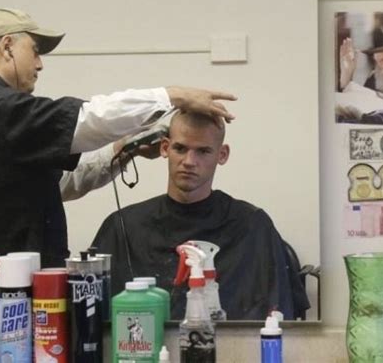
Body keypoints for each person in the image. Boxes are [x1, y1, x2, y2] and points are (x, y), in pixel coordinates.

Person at [0, 8, 236, 267]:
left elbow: (58, 184)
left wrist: (123, 150)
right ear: (7, 47)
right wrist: (172, 96)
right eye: (34, 51)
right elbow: (90, 118)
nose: (40, 64)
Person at [92, 110, 309, 320]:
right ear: (165, 148)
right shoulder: (123, 227)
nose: (189, 161)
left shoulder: (252, 225)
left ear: (222, 155)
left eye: (203, 151)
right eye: (180, 148)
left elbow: (280, 319)